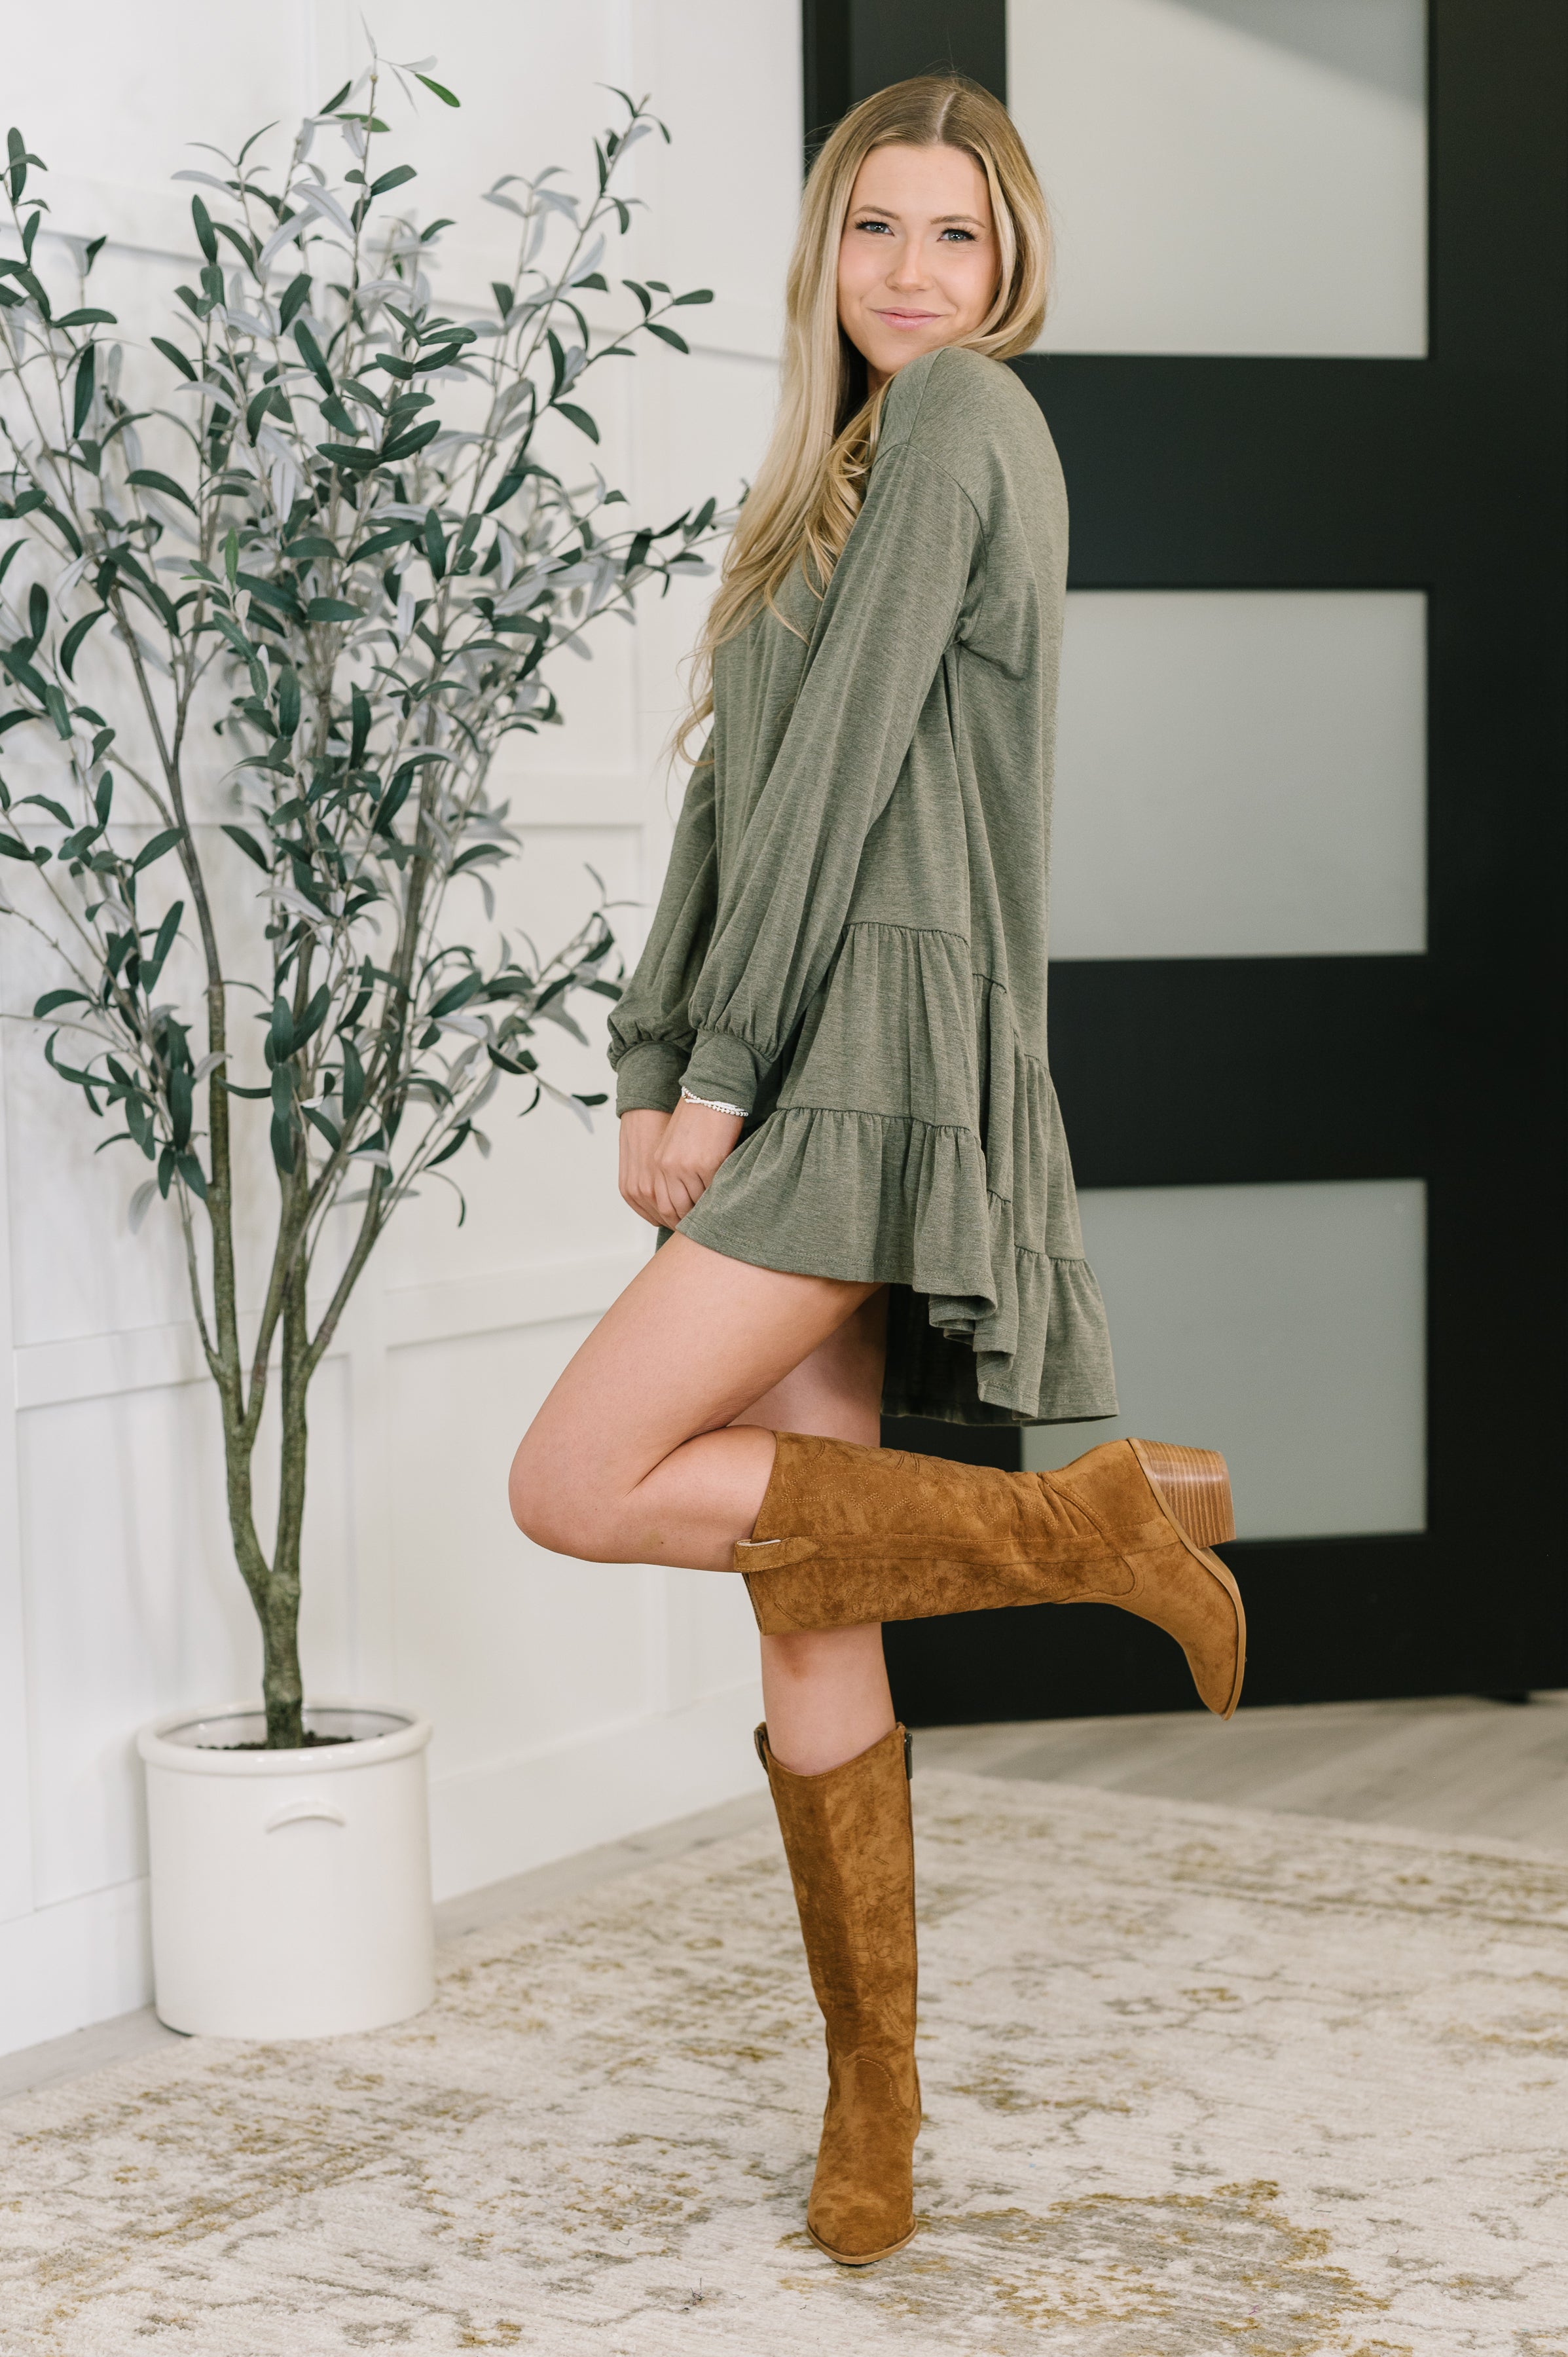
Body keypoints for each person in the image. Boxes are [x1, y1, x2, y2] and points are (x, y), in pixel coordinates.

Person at [509, 74, 1243, 2267]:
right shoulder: (821, 481)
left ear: (1010, 264)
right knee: (810, 1605)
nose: (915, 274)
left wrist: (729, 1073)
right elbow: (736, 800)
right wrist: (652, 1058)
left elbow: (841, 782)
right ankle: (874, 2102)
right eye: (877, 229)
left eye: (958, 233)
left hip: (880, 1045)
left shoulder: (960, 421)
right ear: (823, 251)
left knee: (576, 1479)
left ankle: (1084, 1530)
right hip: (809, 1035)